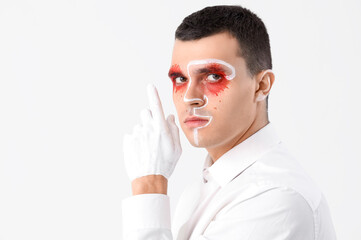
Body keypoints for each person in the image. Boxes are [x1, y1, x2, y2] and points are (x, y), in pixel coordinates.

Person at [122, 5, 337, 239]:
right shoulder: (203, 190)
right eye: (181, 79)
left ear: (261, 85)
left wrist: (149, 185)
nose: (189, 97)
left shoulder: (276, 198)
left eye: (213, 76)